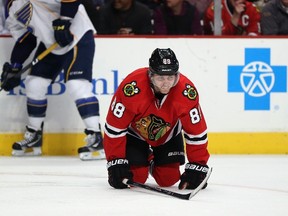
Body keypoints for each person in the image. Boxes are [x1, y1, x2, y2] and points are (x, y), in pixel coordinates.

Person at [0, 0, 105, 160]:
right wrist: (15, 65)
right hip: (52, 44)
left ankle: (96, 137)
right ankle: (34, 135)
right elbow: (26, 39)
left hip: (76, 35)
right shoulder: (13, 9)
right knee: (34, 83)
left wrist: (64, 20)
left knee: (77, 85)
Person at [103, 48, 210, 190]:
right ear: (151, 76)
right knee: (136, 178)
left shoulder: (186, 92)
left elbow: (196, 132)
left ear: (177, 76)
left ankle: (151, 160)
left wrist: (199, 164)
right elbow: (114, 128)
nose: (166, 83)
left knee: (168, 179)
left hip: (168, 134)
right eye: (160, 78)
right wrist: (115, 161)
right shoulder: (132, 88)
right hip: (136, 135)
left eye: (170, 77)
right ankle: (143, 158)